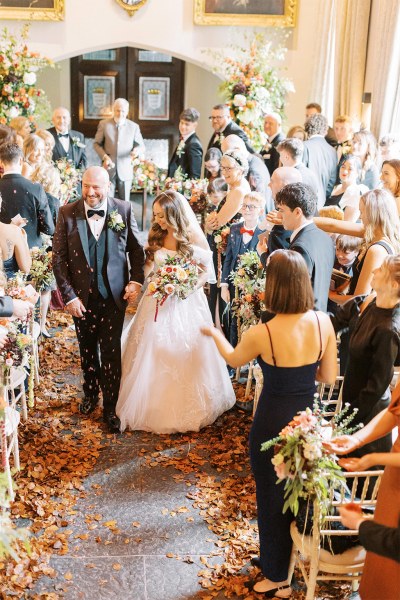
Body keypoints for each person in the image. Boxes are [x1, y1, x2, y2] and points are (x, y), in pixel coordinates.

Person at [202, 249, 337, 597]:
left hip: (272, 422)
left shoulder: (263, 332)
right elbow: (329, 375)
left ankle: (277, 575)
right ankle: (285, 560)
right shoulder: (324, 322)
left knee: (270, 494)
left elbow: (233, 359)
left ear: (273, 287)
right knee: (297, 492)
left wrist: (214, 332)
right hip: (306, 419)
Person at [116, 190, 235, 433]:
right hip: (157, 299)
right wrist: (142, 285)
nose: (157, 219)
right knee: (149, 346)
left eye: (161, 215)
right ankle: (148, 404)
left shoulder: (190, 235)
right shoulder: (158, 233)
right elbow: (149, 264)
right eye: (156, 214)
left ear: (174, 214)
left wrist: (184, 286)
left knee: (183, 348)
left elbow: (205, 272)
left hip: (186, 301)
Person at [52, 166, 145, 433]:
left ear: (108, 187)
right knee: (87, 350)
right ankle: (91, 393)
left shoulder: (124, 209)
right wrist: (68, 296)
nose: (90, 192)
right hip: (81, 299)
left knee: (111, 352)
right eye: (86, 186)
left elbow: (137, 251)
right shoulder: (67, 213)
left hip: (114, 296)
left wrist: (136, 281)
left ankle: (110, 408)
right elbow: (58, 260)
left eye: (96, 187)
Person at [328, 382, 400, 600]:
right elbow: (394, 411)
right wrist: (357, 438)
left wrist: (375, 458)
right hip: (394, 481)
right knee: (381, 562)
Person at [322, 189, 400, 306]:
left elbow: (360, 300)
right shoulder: (379, 236)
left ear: (372, 215)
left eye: (362, 212)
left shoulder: (377, 250)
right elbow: (333, 225)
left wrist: (330, 295)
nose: (360, 217)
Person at [274, 182, 335, 312]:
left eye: (282, 210)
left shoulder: (300, 247)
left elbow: (296, 295)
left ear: (297, 212)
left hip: (304, 321)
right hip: (320, 319)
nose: (279, 216)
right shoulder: (325, 238)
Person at [220, 191, 265, 346]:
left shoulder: (265, 232)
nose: (246, 210)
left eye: (251, 207)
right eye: (244, 206)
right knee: (234, 319)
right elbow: (229, 258)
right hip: (234, 284)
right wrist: (224, 285)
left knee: (252, 320)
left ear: (260, 210)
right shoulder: (234, 229)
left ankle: (250, 361)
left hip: (255, 285)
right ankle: (234, 360)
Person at [0, 142, 54, 248]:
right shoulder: (35, 188)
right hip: (30, 250)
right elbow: (48, 228)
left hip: (2, 251)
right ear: (21, 160)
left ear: (1, 162)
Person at [93, 98, 145, 201]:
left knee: (125, 202)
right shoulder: (104, 124)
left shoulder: (134, 127)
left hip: (126, 169)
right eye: (117, 110)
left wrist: (136, 151)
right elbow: (96, 144)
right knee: (107, 200)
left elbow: (141, 146)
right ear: (113, 110)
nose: (120, 113)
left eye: (123, 111)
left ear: (127, 111)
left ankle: (124, 218)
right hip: (108, 168)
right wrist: (104, 156)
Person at [31, 163, 61, 337]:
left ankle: (33, 324)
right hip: (48, 248)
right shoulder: (54, 201)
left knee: (32, 287)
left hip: (31, 246)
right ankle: (41, 325)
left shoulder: (32, 195)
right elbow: (56, 227)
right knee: (46, 289)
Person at [221, 134, 272, 211]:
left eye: (227, 154)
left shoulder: (253, 171)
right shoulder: (254, 160)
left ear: (237, 150)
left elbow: (256, 205)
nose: (225, 159)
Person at [205, 150, 250, 231]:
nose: (224, 173)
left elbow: (217, 224)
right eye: (222, 168)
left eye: (229, 168)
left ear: (240, 170)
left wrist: (207, 224)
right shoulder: (236, 184)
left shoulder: (238, 191)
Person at [303, 114, 337, 208]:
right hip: (322, 201)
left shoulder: (304, 146)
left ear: (307, 128)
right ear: (325, 130)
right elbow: (332, 181)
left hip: (303, 201)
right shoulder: (332, 150)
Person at [325, 154, 368, 221]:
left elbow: (348, 223)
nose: (345, 171)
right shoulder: (336, 187)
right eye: (343, 167)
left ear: (357, 173)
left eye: (350, 169)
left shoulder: (355, 193)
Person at [48, 106, 87, 171]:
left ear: (69, 120)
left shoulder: (79, 136)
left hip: (75, 178)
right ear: (53, 120)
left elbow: (83, 160)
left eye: (64, 117)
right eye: (58, 117)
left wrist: (78, 175)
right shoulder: (47, 135)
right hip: (53, 178)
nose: (61, 121)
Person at [167, 107, 203, 180]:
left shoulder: (194, 144)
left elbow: (195, 174)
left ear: (195, 125)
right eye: (181, 123)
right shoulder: (184, 140)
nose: (183, 127)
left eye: (187, 124)